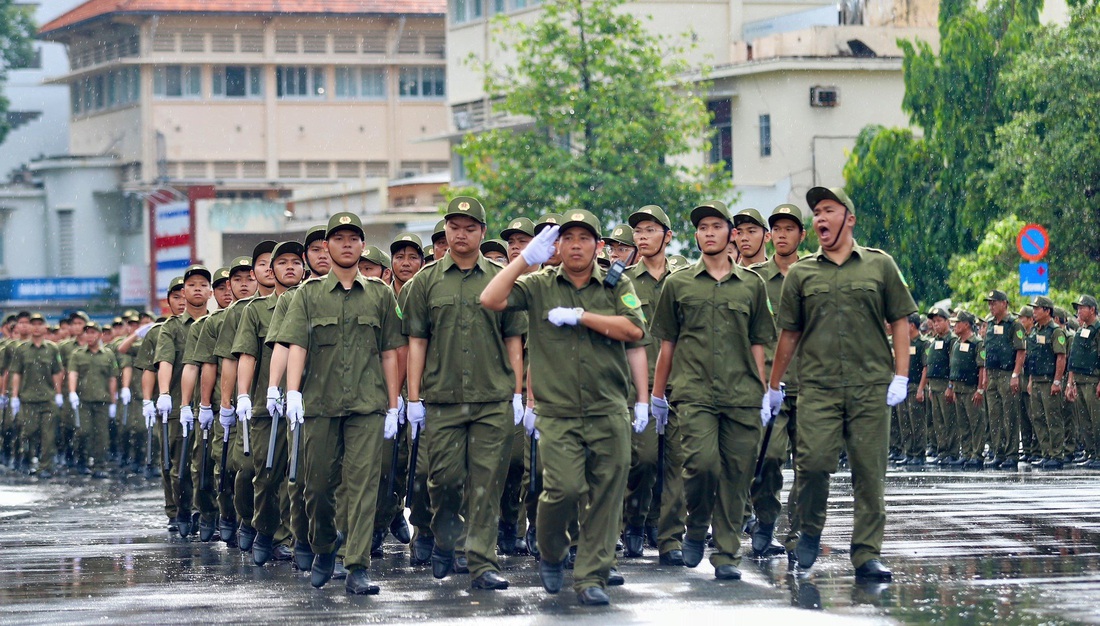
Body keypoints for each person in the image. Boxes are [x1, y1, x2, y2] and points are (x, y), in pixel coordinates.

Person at [481, 209, 649, 606]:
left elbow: (635, 329)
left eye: (584, 238)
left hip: (607, 407)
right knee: (563, 489)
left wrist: (583, 317)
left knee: (607, 494)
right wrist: (526, 259)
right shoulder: (539, 285)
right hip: (558, 412)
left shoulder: (615, 282)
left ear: (598, 245)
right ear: (557, 244)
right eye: (568, 238)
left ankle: (592, 576)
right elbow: (490, 298)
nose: (576, 246)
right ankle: (553, 552)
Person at [767, 187, 916, 581]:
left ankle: (867, 553)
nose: (819, 218)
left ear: (848, 218)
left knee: (870, 474)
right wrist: (773, 384)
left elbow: (900, 320)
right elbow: (789, 334)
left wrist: (902, 375)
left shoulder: (879, 266)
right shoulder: (801, 273)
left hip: (871, 387)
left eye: (828, 210)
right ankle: (810, 529)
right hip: (818, 388)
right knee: (812, 465)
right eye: (816, 212)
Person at [275, 212, 405, 594]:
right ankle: (324, 547)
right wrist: (293, 391)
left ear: (362, 245)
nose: (346, 244)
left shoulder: (381, 295)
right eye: (339, 238)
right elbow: (297, 343)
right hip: (319, 404)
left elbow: (389, 353)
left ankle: (357, 565)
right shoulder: (308, 295)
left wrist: (394, 404)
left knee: (363, 485)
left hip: (367, 405)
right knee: (316, 487)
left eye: (353, 238)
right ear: (326, 247)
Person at [403, 197, 526, 589]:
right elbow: (417, 341)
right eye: (454, 227)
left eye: (470, 227)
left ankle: (482, 562)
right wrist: (413, 397)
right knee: (444, 479)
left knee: (487, 483)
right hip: (443, 399)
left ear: (483, 233)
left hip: (492, 398)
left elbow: (514, 339)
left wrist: (518, 392)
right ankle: (444, 540)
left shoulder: (501, 277)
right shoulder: (425, 281)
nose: (461, 234)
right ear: (445, 231)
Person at [650, 200, 775, 580]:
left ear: (730, 234)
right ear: (697, 235)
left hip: (742, 395)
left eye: (715, 227)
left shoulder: (752, 286)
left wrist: (765, 390)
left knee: (737, 475)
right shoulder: (679, 284)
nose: (708, 233)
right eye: (702, 227)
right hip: (694, 393)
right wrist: (657, 396)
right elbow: (667, 344)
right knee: (702, 466)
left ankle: (727, 553)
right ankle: (697, 522)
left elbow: (758, 343)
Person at [235, 242, 306, 564]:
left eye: (296, 262)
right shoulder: (255, 310)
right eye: (282, 263)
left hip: (308, 404)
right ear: (271, 270)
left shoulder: (311, 300)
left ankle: (289, 535)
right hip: (269, 408)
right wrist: (244, 395)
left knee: (300, 477)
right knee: (267, 474)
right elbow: (248, 354)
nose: (289, 267)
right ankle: (265, 529)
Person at [621, 204, 682, 565]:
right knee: (642, 460)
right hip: (637, 386)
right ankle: (634, 520)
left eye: (649, 231)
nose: (642, 238)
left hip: (680, 384)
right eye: (638, 232)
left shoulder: (685, 277)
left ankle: (669, 534)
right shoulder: (623, 279)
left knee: (675, 464)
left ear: (667, 236)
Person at [746, 203, 806, 557]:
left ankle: (798, 534)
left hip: (812, 384)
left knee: (809, 466)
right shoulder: (755, 280)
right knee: (768, 459)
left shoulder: (814, 274)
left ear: (802, 235)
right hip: (770, 386)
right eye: (777, 230)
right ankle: (766, 519)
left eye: (789, 229)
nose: (782, 236)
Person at [155, 265, 212, 537]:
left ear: (210, 291)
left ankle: (206, 513)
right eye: (192, 285)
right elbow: (165, 360)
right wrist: (164, 393)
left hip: (212, 405)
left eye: (203, 284)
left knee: (207, 465)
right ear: (184, 291)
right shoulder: (171, 327)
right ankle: (181, 510)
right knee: (179, 468)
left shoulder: (217, 323)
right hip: (180, 406)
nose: (197, 288)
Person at [8, 314, 64, 477]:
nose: (37, 327)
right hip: (28, 399)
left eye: (40, 324)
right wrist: (14, 396)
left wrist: (59, 393)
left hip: (48, 399)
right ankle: (26, 459)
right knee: (28, 433)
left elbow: (56, 373)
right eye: (34, 324)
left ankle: (45, 466)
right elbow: (16, 373)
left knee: (48, 436)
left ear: (45, 327)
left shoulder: (52, 348)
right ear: (30, 327)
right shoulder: (22, 349)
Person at [981, 290, 1027, 469]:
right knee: (994, 415)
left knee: (1010, 415)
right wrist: (985, 375)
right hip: (992, 374)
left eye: (994, 302)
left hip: (1008, 374)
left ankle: (1011, 454)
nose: (991, 306)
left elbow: (1020, 351)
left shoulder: (1014, 325)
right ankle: (998, 452)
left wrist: (1015, 375)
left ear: (1004, 304)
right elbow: (986, 351)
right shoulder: (990, 324)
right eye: (989, 303)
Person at [1026, 296, 1068, 469]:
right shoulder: (1036, 330)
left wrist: (1057, 381)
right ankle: (1046, 453)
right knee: (1038, 418)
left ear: (1047, 311)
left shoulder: (1055, 331)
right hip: (1035, 380)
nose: (1034, 312)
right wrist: (1029, 380)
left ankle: (1057, 455)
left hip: (1049, 380)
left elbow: (1061, 357)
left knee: (1053, 418)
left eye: (1037, 308)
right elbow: (1032, 357)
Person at [946, 311, 985, 468]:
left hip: (971, 388)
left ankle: (977, 454)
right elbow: (953, 367)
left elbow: (982, 368)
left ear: (967, 324)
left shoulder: (977, 343)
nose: (955, 326)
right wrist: (951, 386)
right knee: (963, 423)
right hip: (958, 388)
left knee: (976, 422)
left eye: (958, 322)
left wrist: (980, 389)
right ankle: (967, 453)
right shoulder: (956, 343)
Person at [918, 307, 957, 465]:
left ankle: (952, 452)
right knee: (938, 420)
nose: (936, 324)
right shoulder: (934, 341)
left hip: (945, 383)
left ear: (947, 321)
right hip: (934, 385)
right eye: (934, 322)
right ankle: (942, 451)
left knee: (949, 420)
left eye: (939, 321)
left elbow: (954, 364)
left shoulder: (951, 340)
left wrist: (950, 386)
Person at [1067, 295, 1100, 468]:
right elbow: (1073, 358)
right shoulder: (1081, 330)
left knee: (1097, 420)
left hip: (1093, 380)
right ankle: (1091, 453)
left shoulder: (1098, 328)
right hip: (1079, 380)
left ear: (1092, 309)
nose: (1078, 311)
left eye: (1082, 307)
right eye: (1078, 308)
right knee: (1085, 421)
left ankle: (1099, 455)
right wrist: (1070, 382)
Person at [894, 312, 929, 465]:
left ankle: (919, 453)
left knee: (917, 421)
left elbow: (925, 368)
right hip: (904, 385)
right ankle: (909, 452)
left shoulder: (923, 343)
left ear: (912, 326)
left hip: (915, 386)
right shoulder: (904, 343)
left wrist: (921, 388)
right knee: (904, 420)